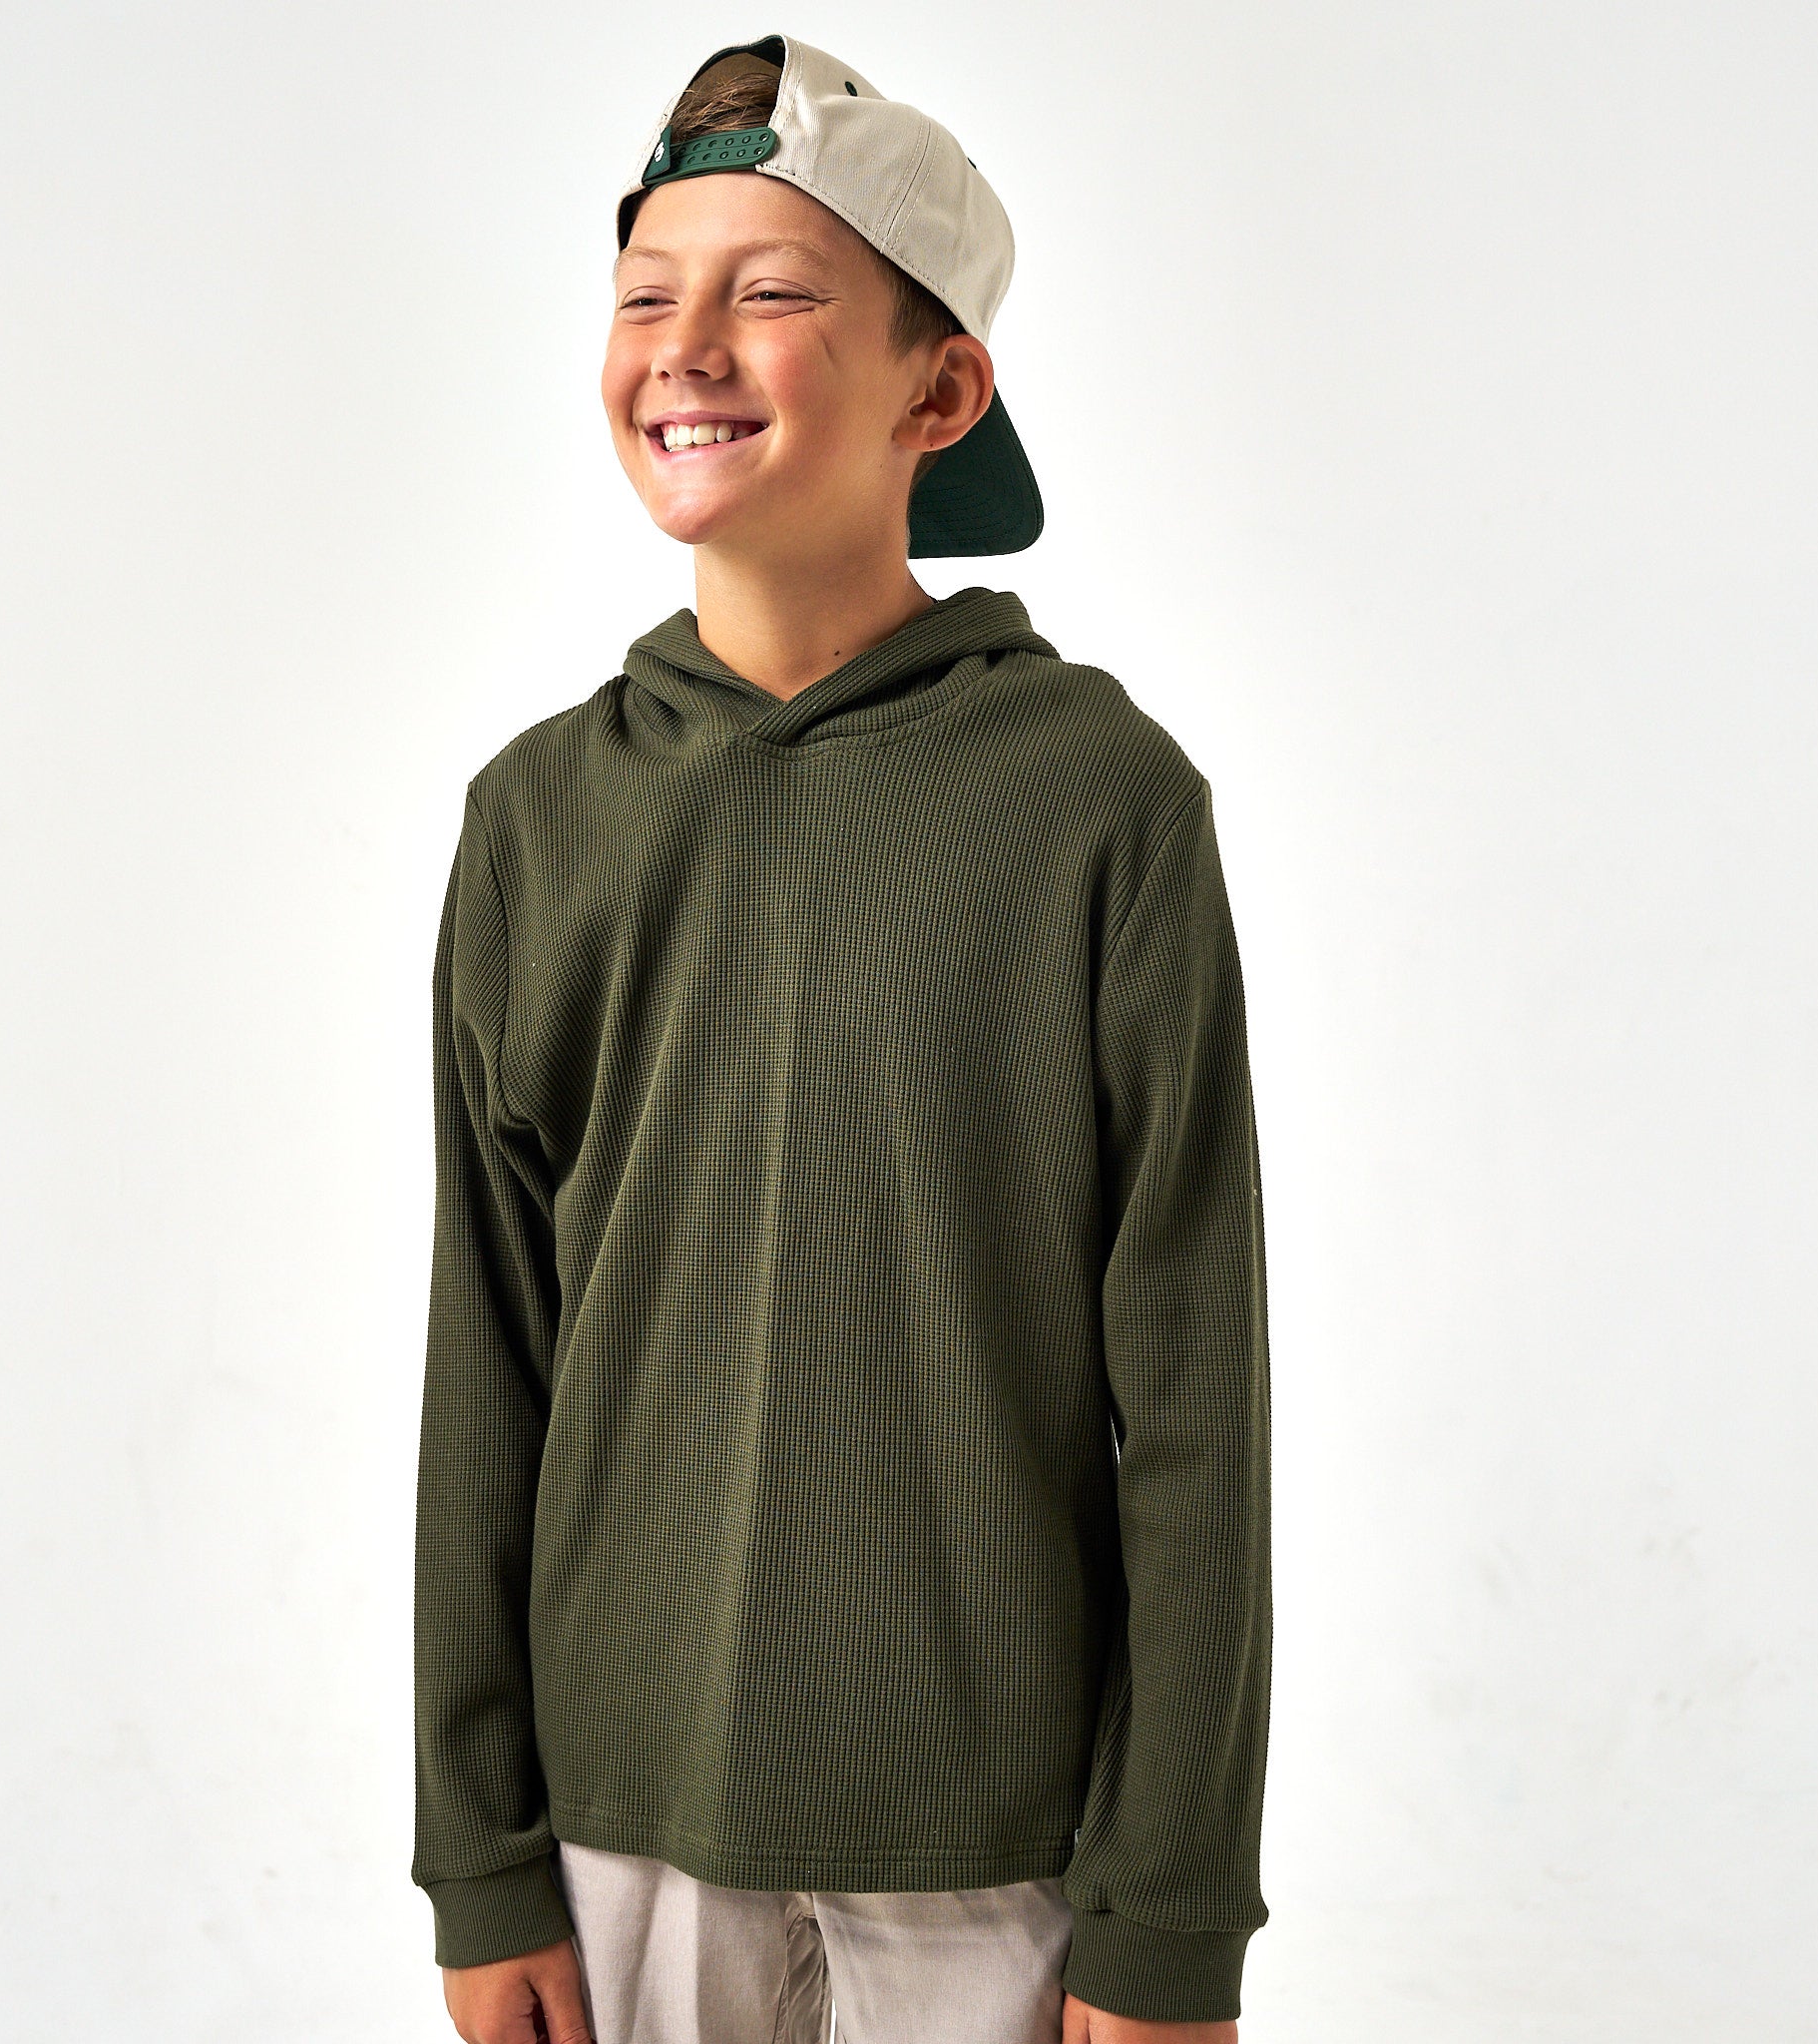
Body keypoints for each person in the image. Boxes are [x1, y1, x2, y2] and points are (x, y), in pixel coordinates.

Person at [411, 33, 1272, 2044]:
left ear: (939, 392)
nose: (684, 348)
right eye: (646, 294)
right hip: (619, 1846)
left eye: (771, 292)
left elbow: (1192, 1400)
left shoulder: (1100, 805)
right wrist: (479, 1854)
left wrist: (1168, 1914)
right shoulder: (538, 820)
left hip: (1003, 1856)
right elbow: (488, 1362)